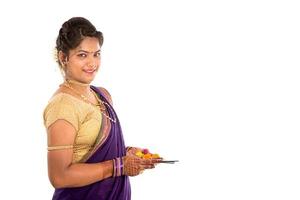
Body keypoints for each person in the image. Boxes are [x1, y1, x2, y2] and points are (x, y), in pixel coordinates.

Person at [43, 17, 160, 200]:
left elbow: (97, 150)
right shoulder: (62, 106)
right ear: (63, 57)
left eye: (96, 54)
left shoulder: (102, 95)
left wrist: (129, 155)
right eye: (82, 55)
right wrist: (119, 165)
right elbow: (59, 176)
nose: (92, 63)